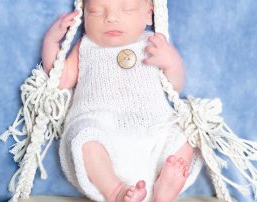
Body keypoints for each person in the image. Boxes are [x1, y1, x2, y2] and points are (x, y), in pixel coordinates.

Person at [42, 0, 202, 201]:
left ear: (149, 14)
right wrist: (51, 42)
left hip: (153, 128)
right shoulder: (85, 46)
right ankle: (116, 191)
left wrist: (172, 62)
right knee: (83, 138)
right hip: (101, 127)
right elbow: (61, 79)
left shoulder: (153, 43)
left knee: (188, 134)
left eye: (127, 9)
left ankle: (164, 189)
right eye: (96, 11)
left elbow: (174, 85)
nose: (111, 18)